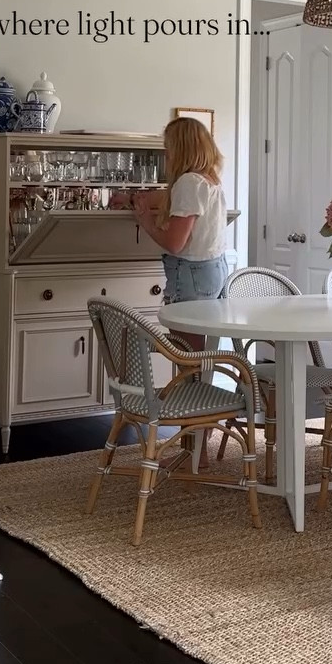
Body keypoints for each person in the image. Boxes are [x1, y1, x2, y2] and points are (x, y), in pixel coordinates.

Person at [132, 117, 228, 469]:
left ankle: (195, 449)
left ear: (181, 147)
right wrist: (139, 198)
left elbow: (175, 242)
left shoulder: (187, 183)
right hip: (212, 271)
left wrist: (144, 222)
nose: (165, 152)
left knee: (187, 367)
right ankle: (197, 442)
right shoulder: (208, 179)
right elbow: (171, 200)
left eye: (168, 145)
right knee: (200, 363)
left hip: (189, 275)